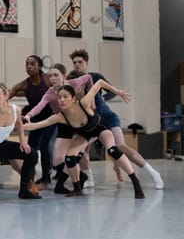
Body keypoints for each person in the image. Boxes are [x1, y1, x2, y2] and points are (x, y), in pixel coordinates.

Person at [24, 81, 146, 199]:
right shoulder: (60, 117)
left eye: (65, 97)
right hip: (85, 135)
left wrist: (118, 92)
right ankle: (77, 188)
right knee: (70, 157)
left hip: (100, 129)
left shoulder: (84, 103)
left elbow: (99, 83)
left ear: (73, 98)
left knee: (113, 151)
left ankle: (136, 182)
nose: (61, 100)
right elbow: (37, 125)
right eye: (59, 97)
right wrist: (17, 125)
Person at [69, 49, 164, 189]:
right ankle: (89, 177)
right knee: (83, 148)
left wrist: (103, 98)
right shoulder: (73, 83)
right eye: (75, 62)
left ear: (86, 63)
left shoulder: (94, 77)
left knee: (120, 147)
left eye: (80, 62)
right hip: (92, 123)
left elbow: (112, 90)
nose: (77, 64)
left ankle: (153, 173)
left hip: (108, 118)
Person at [24, 64, 93, 192]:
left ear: (63, 76)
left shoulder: (72, 83)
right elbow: (39, 106)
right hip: (61, 121)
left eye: (56, 75)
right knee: (56, 160)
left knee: (74, 154)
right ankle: (79, 176)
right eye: (50, 76)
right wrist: (29, 115)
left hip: (78, 122)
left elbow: (88, 78)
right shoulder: (50, 92)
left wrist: (92, 103)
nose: (53, 78)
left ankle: (75, 181)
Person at [9, 55, 55, 191]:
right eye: (27, 64)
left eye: (33, 64)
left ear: (39, 66)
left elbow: (62, 88)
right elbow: (6, 95)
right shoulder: (24, 84)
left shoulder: (47, 79)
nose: (29, 66)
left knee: (44, 144)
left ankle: (46, 179)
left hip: (50, 118)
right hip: (34, 119)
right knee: (31, 148)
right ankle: (30, 176)